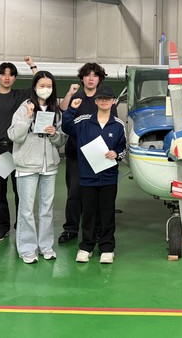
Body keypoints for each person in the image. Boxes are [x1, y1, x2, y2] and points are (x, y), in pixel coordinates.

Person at [62, 84, 126, 264]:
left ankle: (107, 248)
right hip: (87, 176)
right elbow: (66, 126)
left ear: (113, 102)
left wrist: (116, 154)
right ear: (96, 101)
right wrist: (71, 109)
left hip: (109, 178)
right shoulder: (83, 121)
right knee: (88, 213)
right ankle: (86, 246)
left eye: (108, 99)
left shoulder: (118, 125)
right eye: (101, 98)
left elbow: (123, 148)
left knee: (107, 212)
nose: (104, 101)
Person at [8, 71, 67, 264]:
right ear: (34, 87)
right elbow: (14, 136)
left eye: (49, 86)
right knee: (26, 209)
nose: (45, 89)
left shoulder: (55, 111)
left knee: (47, 208)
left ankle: (46, 246)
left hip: (49, 166)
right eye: (42, 85)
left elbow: (61, 140)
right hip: (27, 165)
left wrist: (54, 134)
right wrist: (27, 118)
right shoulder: (24, 107)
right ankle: (26, 248)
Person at [0, 58, 37, 242]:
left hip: (18, 149)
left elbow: (39, 84)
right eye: (3, 74)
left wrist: (32, 65)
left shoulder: (20, 96)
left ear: (15, 78)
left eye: (11, 75)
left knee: (21, 191)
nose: (6, 78)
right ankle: (2, 227)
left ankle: (21, 225)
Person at [57, 62, 115, 245]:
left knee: (97, 195)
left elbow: (110, 124)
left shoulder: (104, 99)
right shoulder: (76, 98)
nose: (91, 78)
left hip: (99, 155)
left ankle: (96, 229)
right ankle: (71, 228)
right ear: (81, 78)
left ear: (99, 79)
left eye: (95, 75)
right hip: (76, 155)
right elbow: (63, 110)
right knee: (74, 193)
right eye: (87, 75)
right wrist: (69, 93)